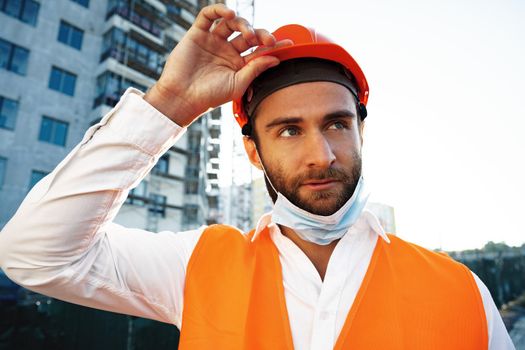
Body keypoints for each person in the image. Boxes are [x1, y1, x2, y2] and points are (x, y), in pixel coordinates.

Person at [0, 4, 515, 350]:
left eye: (337, 124)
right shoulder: (194, 265)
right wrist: (170, 106)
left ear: (361, 132)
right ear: (253, 150)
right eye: (289, 131)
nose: (322, 155)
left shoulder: (462, 292)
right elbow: (32, 254)